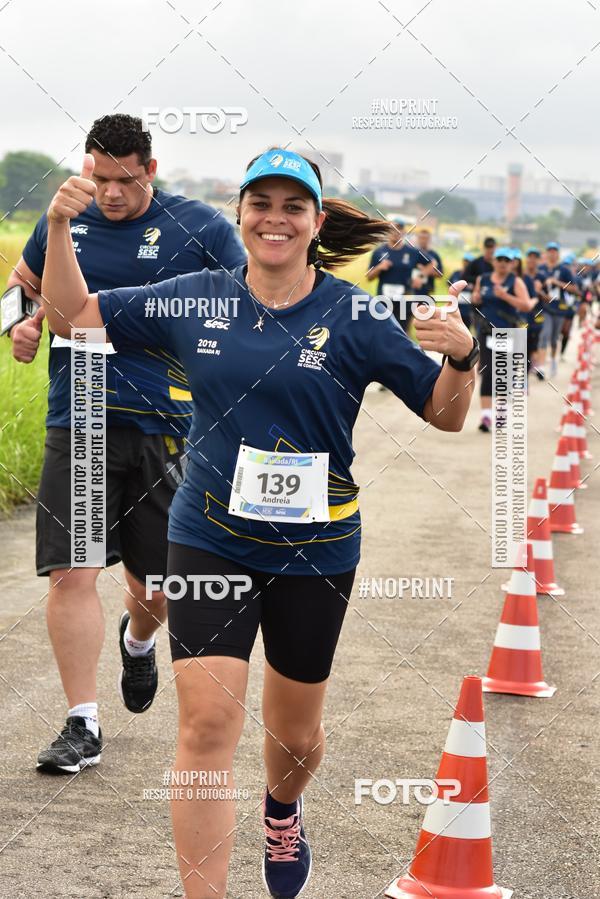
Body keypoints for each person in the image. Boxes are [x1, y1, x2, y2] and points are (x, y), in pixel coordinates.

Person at [40, 146, 477, 899]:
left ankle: (282, 808)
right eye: (261, 204)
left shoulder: (355, 314)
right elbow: (72, 316)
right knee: (206, 725)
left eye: (292, 207)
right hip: (208, 536)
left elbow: (445, 414)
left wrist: (464, 360)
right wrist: (55, 229)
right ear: (240, 214)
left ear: (315, 222)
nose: (275, 219)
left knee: (295, 739)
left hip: (317, 549)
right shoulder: (194, 298)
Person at [6, 114, 246, 774]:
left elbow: (248, 303)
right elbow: (21, 287)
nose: (110, 193)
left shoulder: (199, 227)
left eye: (125, 180)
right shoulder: (65, 217)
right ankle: (82, 721)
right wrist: (21, 326)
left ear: (151, 170)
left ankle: (138, 640)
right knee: (72, 570)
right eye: (101, 178)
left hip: (167, 423)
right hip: (80, 414)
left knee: (156, 585)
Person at [472, 246, 534, 432]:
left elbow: (526, 306)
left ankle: (501, 413)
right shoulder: (482, 279)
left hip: (506, 332)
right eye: (499, 259)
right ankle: (486, 416)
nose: (502, 263)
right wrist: (476, 298)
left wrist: (505, 296)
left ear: (512, 263)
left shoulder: (516, 281)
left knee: (502, 373)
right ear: (494, 261)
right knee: (487, 371)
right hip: (485, 331)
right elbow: (476, 298)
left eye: (507, 260)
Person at [367, 219, 419, 331]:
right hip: (384, 299)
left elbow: (431, 264)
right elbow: (369, 276)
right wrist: (379, 267)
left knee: (403, 331)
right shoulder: (379, 252)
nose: (396, 232)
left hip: (405, 299)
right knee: (382, 330)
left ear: (404, 232)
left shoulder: (412, 252)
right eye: (393, 229)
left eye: (399, 229)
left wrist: (419, 277)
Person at [537, 242, 578, 378]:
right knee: (544, 335)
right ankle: (541, 367)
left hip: (559, 309)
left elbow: (574, 288)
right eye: (550, 251)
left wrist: (557, 282)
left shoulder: (564, 270)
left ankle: (554, 360)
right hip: (544, 308)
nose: (552, 253)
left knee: (554, 339)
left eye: (554, 251)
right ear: (546, 253)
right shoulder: (541, 269)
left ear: (558, 254)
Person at [522, 247, 545, 379]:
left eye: (535, 258)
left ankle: (531, 369)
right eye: (530, 257)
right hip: (521, 315)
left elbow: (549, 298)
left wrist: (539, 291)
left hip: (537, 314)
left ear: (538, 260)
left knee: (533, 343)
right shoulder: (520, 276)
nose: (532, 260)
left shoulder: (542, 277)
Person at [450, 251, 476, 330]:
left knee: (466, 330)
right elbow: (449, 285)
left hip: (468, 310)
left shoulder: (474, 276)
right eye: (465, 261)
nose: (466, 263)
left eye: (469, 262)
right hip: (455, 308)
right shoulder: (456, 273)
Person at [415, 226, 443, 294]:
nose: (423, 240)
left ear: (429, 239)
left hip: (427, 290)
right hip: (412, 289)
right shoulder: (412, 253)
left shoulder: (434, 255)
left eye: (425, 238)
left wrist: (427, 270)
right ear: (417, 239)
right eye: (421, 238)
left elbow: (440, 274)